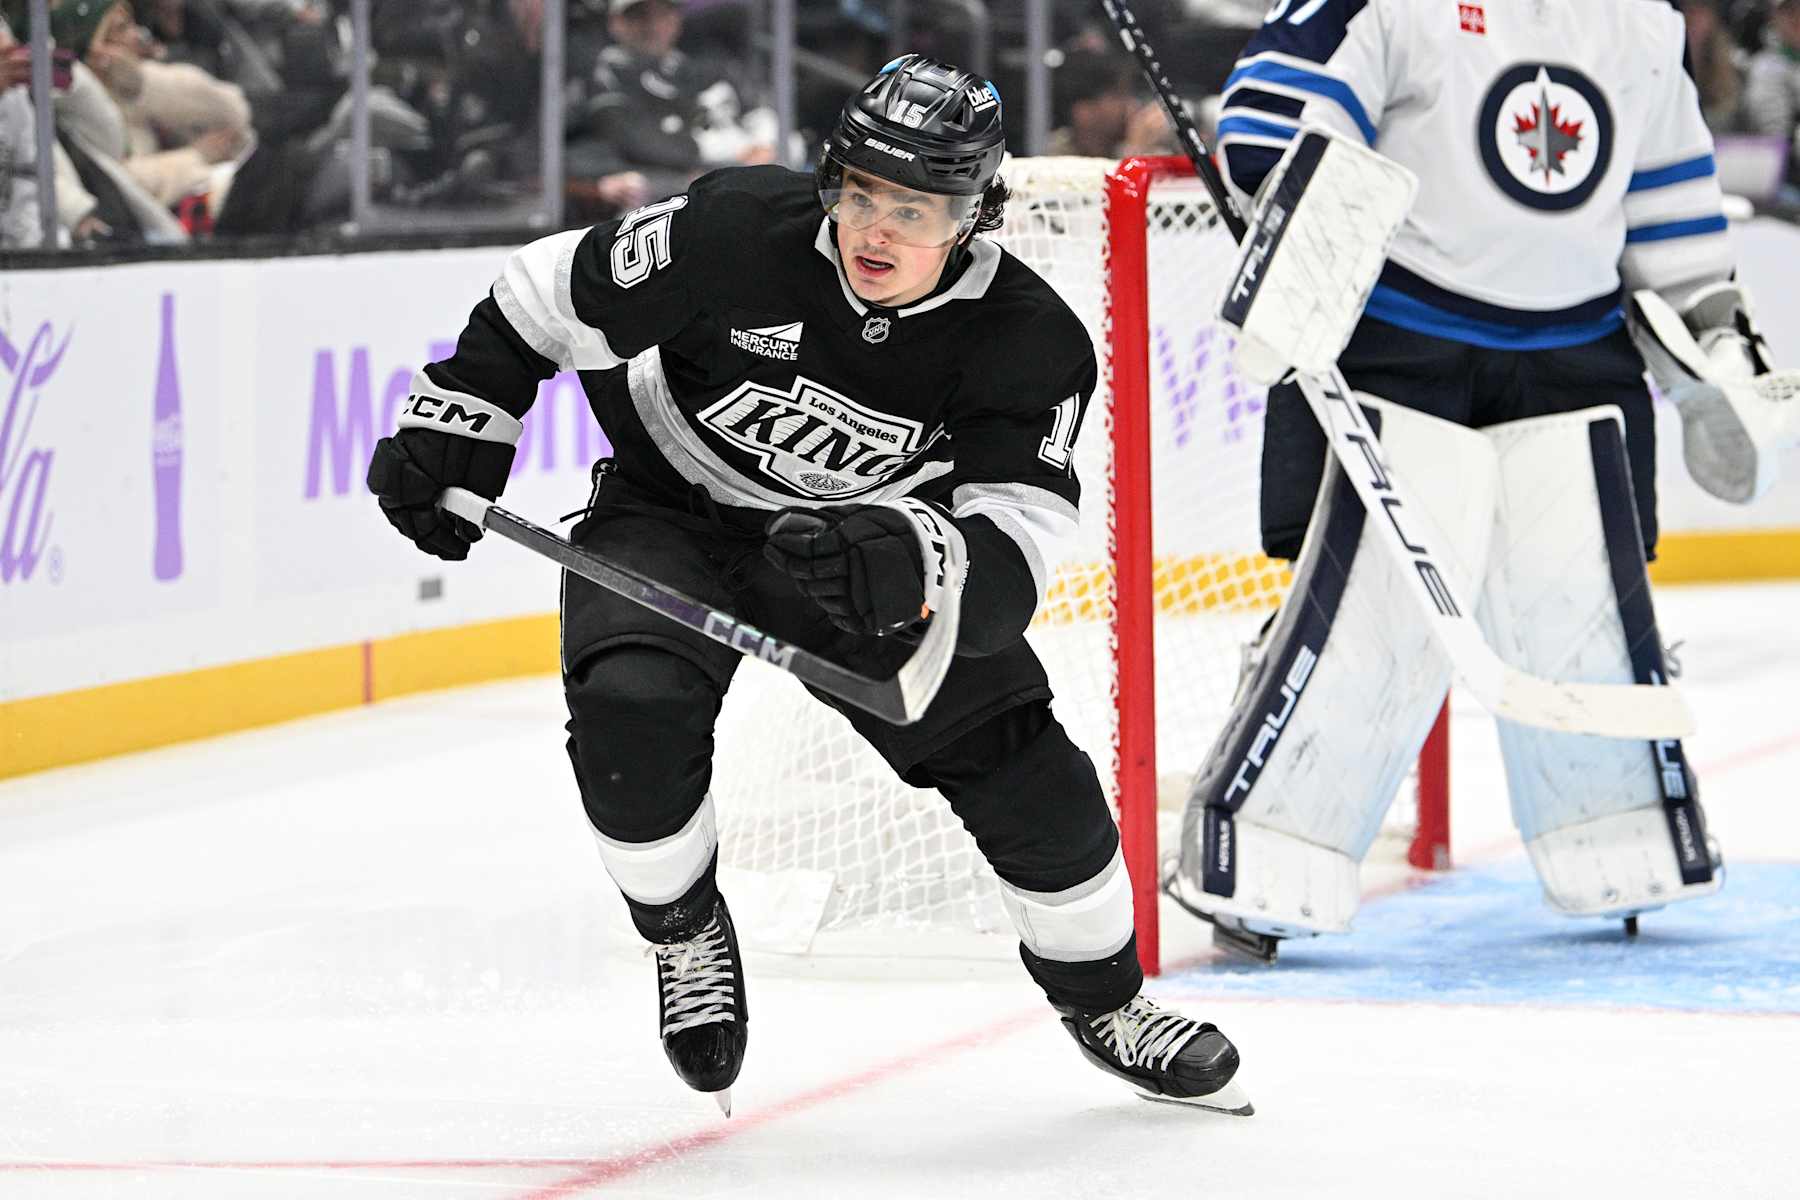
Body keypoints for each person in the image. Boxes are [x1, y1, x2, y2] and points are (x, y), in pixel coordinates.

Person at [366, 54, 1250, 1116]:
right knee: (628, 713)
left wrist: (913, 558)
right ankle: (683, 927)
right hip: (669, 515)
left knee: (1027, 771)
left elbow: (1015, 556)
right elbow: (545, 293)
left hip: (856, 561)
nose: (876, 230)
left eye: (916, 209)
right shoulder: (736, 228)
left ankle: (1106, 1004)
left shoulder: (1030, 341)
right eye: (863, 194)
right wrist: (464, 410)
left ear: (976, 215)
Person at [1185, 0, 1760, 956]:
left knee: (1579, 608)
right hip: (1400, 349)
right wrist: (1297, 221)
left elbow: (1668, 195)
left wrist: (1712, 332)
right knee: (1371, 616)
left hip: (1576, 353)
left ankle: (1619, 842)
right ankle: (1271, 849)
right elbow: (1269, 127)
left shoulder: (1640, 23)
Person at [565, 0, 780, 220]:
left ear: (676, 20)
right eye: (640, 16)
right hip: (653, 194)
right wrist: (733, 157)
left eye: (663, 15)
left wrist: (764, 145)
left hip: (719, 181)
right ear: (615, 23)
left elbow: (758, 111)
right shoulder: (602, 74)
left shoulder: (699, 67)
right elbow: (635, 140)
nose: (653, 26)